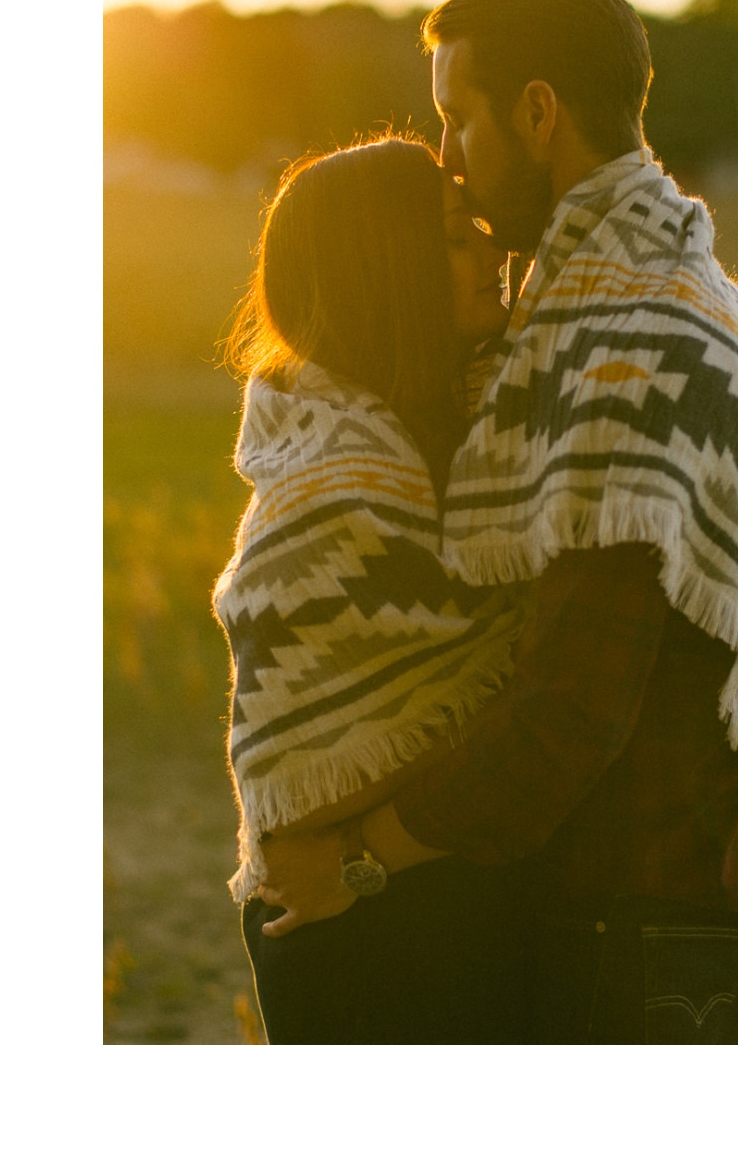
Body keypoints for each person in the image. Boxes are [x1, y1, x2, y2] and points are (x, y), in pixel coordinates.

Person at [254, 0, 738, 1044]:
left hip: (644, 897)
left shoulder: (623, 346)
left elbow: (570, 712)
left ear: (539, 111)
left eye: (458, 117)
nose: (445, 157)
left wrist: (357, 858)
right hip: (707, 881)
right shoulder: (708, 302)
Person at [215, 135, 533, 1042]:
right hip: (361, 939)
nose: (493, 252)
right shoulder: (330, 493)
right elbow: (294, 797)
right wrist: (363, 861)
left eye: (482, 228)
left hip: (450, 917)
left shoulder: (470, 432)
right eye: (455, 238)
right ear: (381, 267)